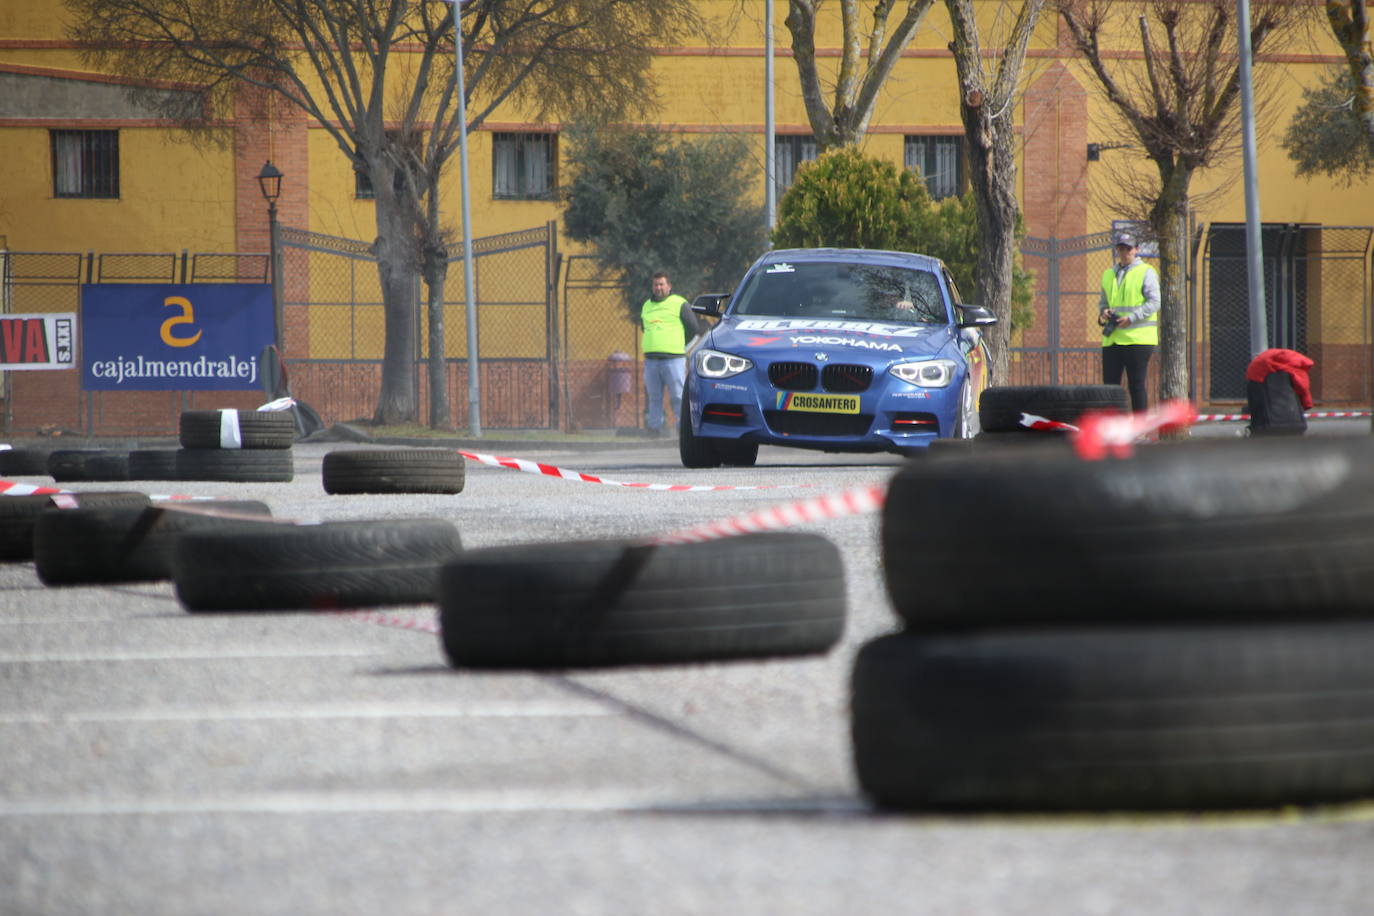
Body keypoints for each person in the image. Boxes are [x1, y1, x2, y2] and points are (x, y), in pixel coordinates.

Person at [1098, 231, 1161, 412]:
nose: (1124, 253)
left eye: (1128, 249)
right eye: (1121, 249)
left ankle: (1139, 430)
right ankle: (1113, 428)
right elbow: (1103, 301)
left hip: (1138, 339)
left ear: (1136, 250)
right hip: (1113, 338)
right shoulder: (1108, 274)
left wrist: (1132, 318)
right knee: (1109, 388)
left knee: (1136, 385)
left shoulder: (1146, 272)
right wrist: (1104, 311)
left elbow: (1155, 302)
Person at [640, 271, 702, 437]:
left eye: (661, 284)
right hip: (651, 360)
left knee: (678, 396)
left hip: (674, 359)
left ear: (669, 286)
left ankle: (683, 429)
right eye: (655, 284)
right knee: (654, 397)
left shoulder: (679, 303)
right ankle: (655, 429)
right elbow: (644, 328)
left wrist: (681, 348)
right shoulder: (646, 306)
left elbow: (694, 330)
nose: (658, 287)